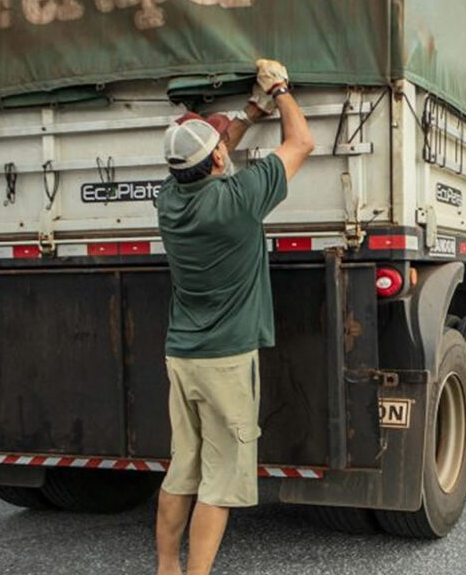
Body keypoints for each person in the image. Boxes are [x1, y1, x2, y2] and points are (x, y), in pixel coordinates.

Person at [153, 59, 314, 575]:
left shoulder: (168, 201)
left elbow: (205, 155)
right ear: (221, 159)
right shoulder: (240, 200)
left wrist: (251, 108)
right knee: (219, 484)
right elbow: (301, 143)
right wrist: (281, 90)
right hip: (226, 363)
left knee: (183, 470)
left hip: (182, 358)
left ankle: (166, 568)